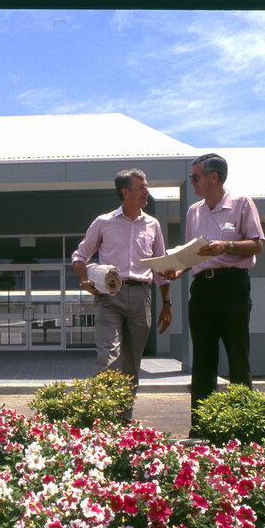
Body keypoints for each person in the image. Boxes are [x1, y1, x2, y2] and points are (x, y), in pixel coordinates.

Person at [71, 169, 173, 422]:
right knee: (108, 358)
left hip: (142, 297)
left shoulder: (153, 225)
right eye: (141, 187)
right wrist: (83, 279)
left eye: (146, 186)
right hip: (110, 297)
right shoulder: (103, 222)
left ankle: (124, 420)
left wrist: (167, 303)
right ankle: (101, 419)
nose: (146, 191)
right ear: (125, 192)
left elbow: (160, 267)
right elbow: (80, 255)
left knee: (131, 365)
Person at [175, 152, 264, 428]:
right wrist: (175, 269)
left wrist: (227, 246)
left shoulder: (241, 204)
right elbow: (192, 255)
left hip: (232, 286)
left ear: (214, 177)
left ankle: (242, 425)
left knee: (238, 356)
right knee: (202, 359)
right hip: (201, 290)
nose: (191, 182)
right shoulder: (194, 212)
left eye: (195, 177)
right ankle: (201, 426)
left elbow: (258, 244)